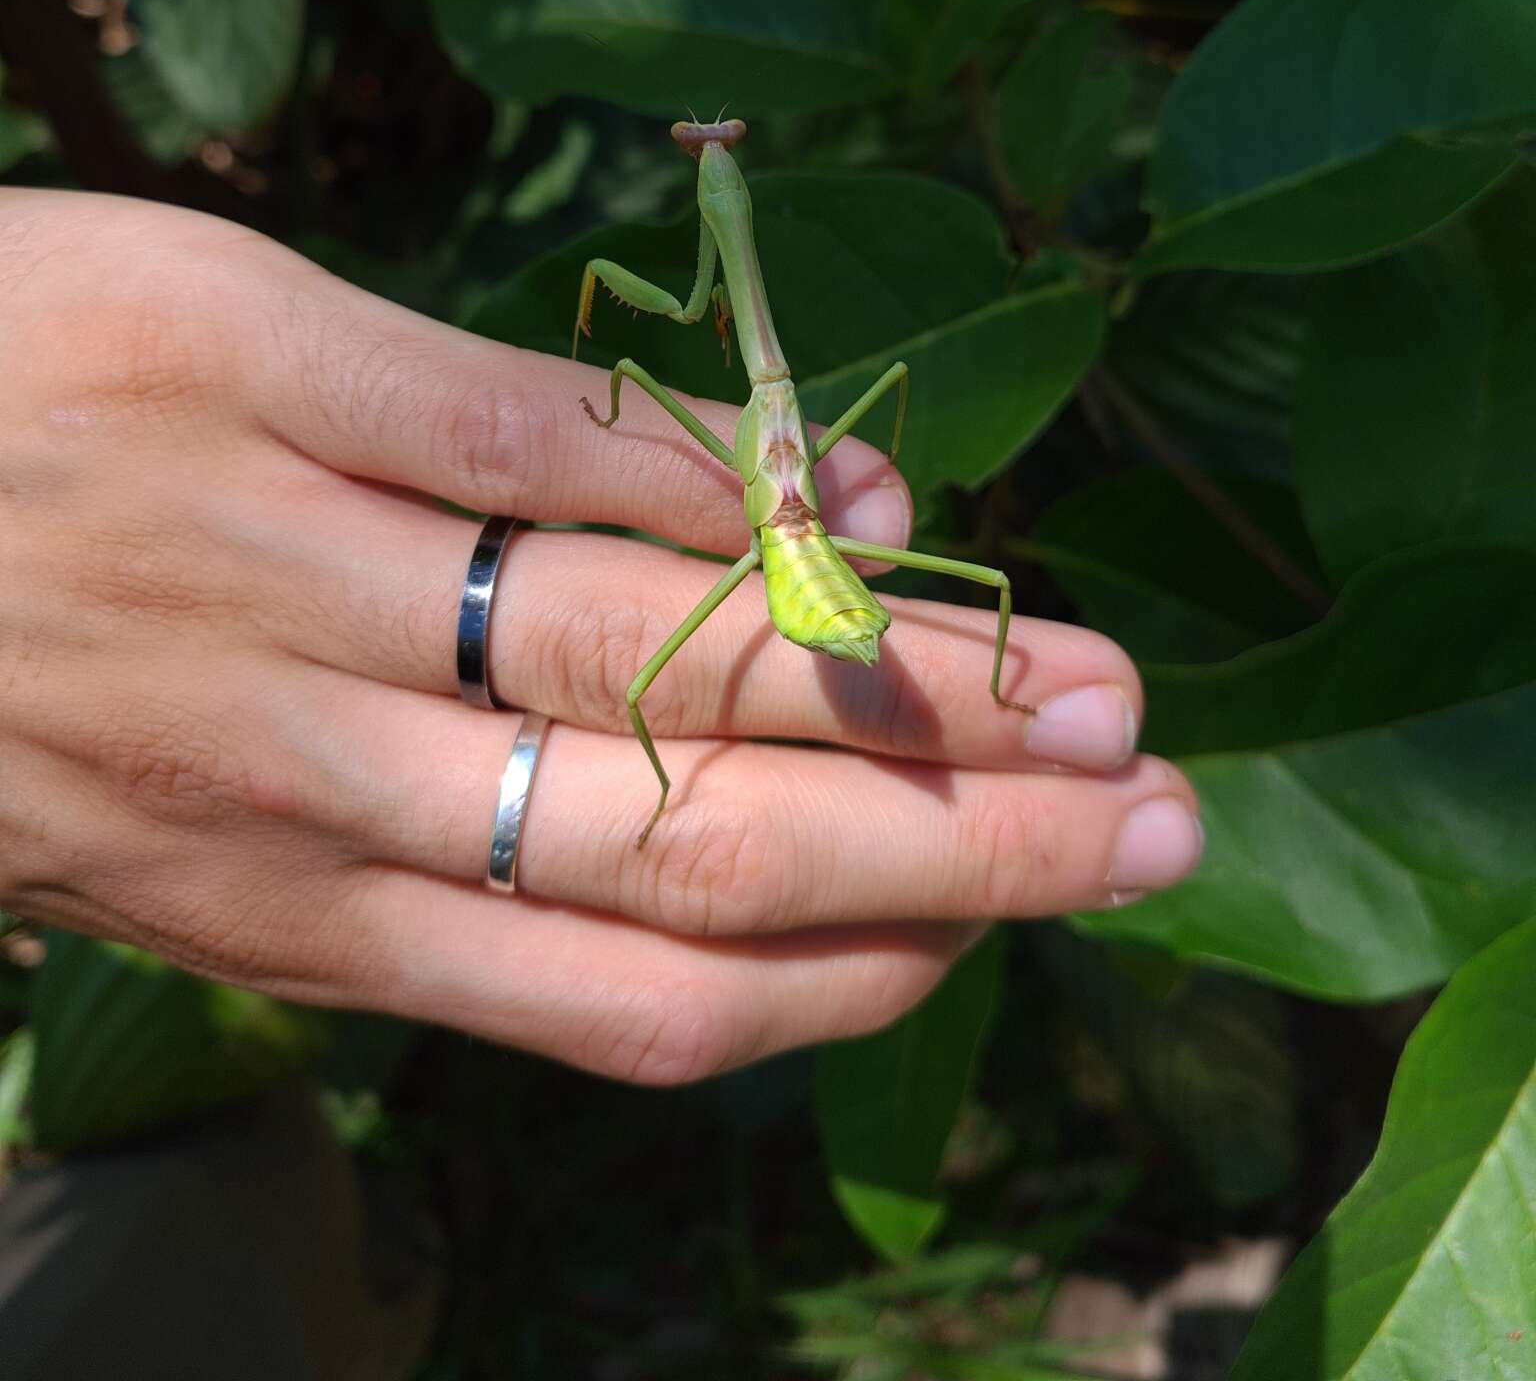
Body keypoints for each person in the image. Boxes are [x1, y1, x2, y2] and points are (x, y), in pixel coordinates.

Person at [0, 186, 1203, 1086]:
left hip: (784, 567)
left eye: (708, 161)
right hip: (814, 562)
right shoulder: (797, 380)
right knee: (980, 578)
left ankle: (664, 802)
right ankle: (997, 691)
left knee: (640, 679)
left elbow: (682, 314)